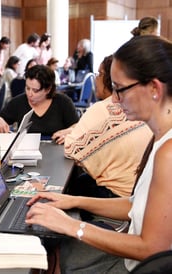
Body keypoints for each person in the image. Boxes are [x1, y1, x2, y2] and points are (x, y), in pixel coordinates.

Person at [25, 35, 172, 273]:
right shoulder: (160, 137)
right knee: (58, 247)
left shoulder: (168, 151)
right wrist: (73, 201)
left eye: (120, 89)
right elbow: (136, 206)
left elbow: (152, 249)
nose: (114, 98)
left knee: (58, 252)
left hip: (140, 266)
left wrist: (73, 227)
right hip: (139, 260)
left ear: (154, 88)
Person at [61, 55, 152, 202]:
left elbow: (72, 150)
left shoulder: (103, 108)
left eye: (99, 74)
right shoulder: (141, 107)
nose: (96, 79)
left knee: (74, 184)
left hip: (121, 196)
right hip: (144, 194)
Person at [0, 65, 79, 140]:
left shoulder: (63, 102)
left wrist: (69, 131)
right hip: (26, 151)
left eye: (35, 91)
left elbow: (77, 126)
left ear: (48, 89)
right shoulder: (19, 102)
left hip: (57, 149)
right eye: (27, 88)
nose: (30, 94)